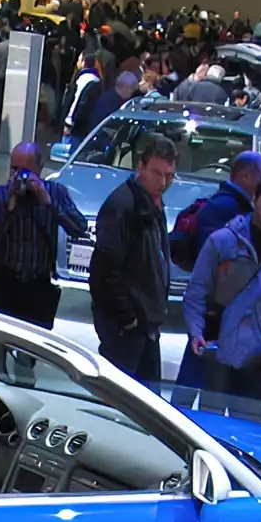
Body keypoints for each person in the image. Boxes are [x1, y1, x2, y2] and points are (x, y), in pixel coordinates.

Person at [183, 176, 261, 417]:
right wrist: (196, 332)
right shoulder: (223, 241)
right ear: (254, 200)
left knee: (249, 429)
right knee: (210, 424)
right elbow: (196, 292)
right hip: (219, 350)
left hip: (259, 358)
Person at [88, 134, 174, 384]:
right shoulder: (122, 206)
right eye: (157, 173)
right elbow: (105, 270)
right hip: (126, 328)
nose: (163, 182)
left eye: (169, 176)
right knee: (119, 396)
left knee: (147, 396)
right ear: (141, 167)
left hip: (145, 324)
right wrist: (127, 318)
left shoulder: (153, 203)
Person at [0, 140, 88, 330]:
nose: (18, 177)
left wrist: (49, 203)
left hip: (38, 285)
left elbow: (79, 228)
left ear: (39, 169)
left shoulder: (56, 192)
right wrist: (9, 209)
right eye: (14, 169)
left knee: (32, 343)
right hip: (5, 283)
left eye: (24, 171)